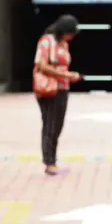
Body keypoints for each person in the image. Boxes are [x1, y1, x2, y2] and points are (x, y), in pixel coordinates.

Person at [34, 14, 81, 176]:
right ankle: (49, 162)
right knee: (49, 124)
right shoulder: (47, 41)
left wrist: (69, 76)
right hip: (48, 88)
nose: (72, 37)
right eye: (70, 33)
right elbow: (41, 65)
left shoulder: (64, 44)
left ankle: (53, 159)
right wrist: (66, 75)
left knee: (58, 125)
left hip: (62, 89)